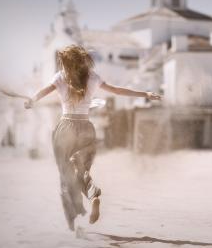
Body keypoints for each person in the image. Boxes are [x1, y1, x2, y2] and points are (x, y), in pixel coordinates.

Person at [24, 45, 161, 231]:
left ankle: (75, 221)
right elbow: (117, 91)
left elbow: (43, 91)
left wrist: (32, 100)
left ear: (65, 62)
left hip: (66, 128)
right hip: (86, 128)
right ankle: (93, 194)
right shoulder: (92, 77)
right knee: (81, 170)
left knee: (66, 177)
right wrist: (145, 94)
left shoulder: (60, 77)